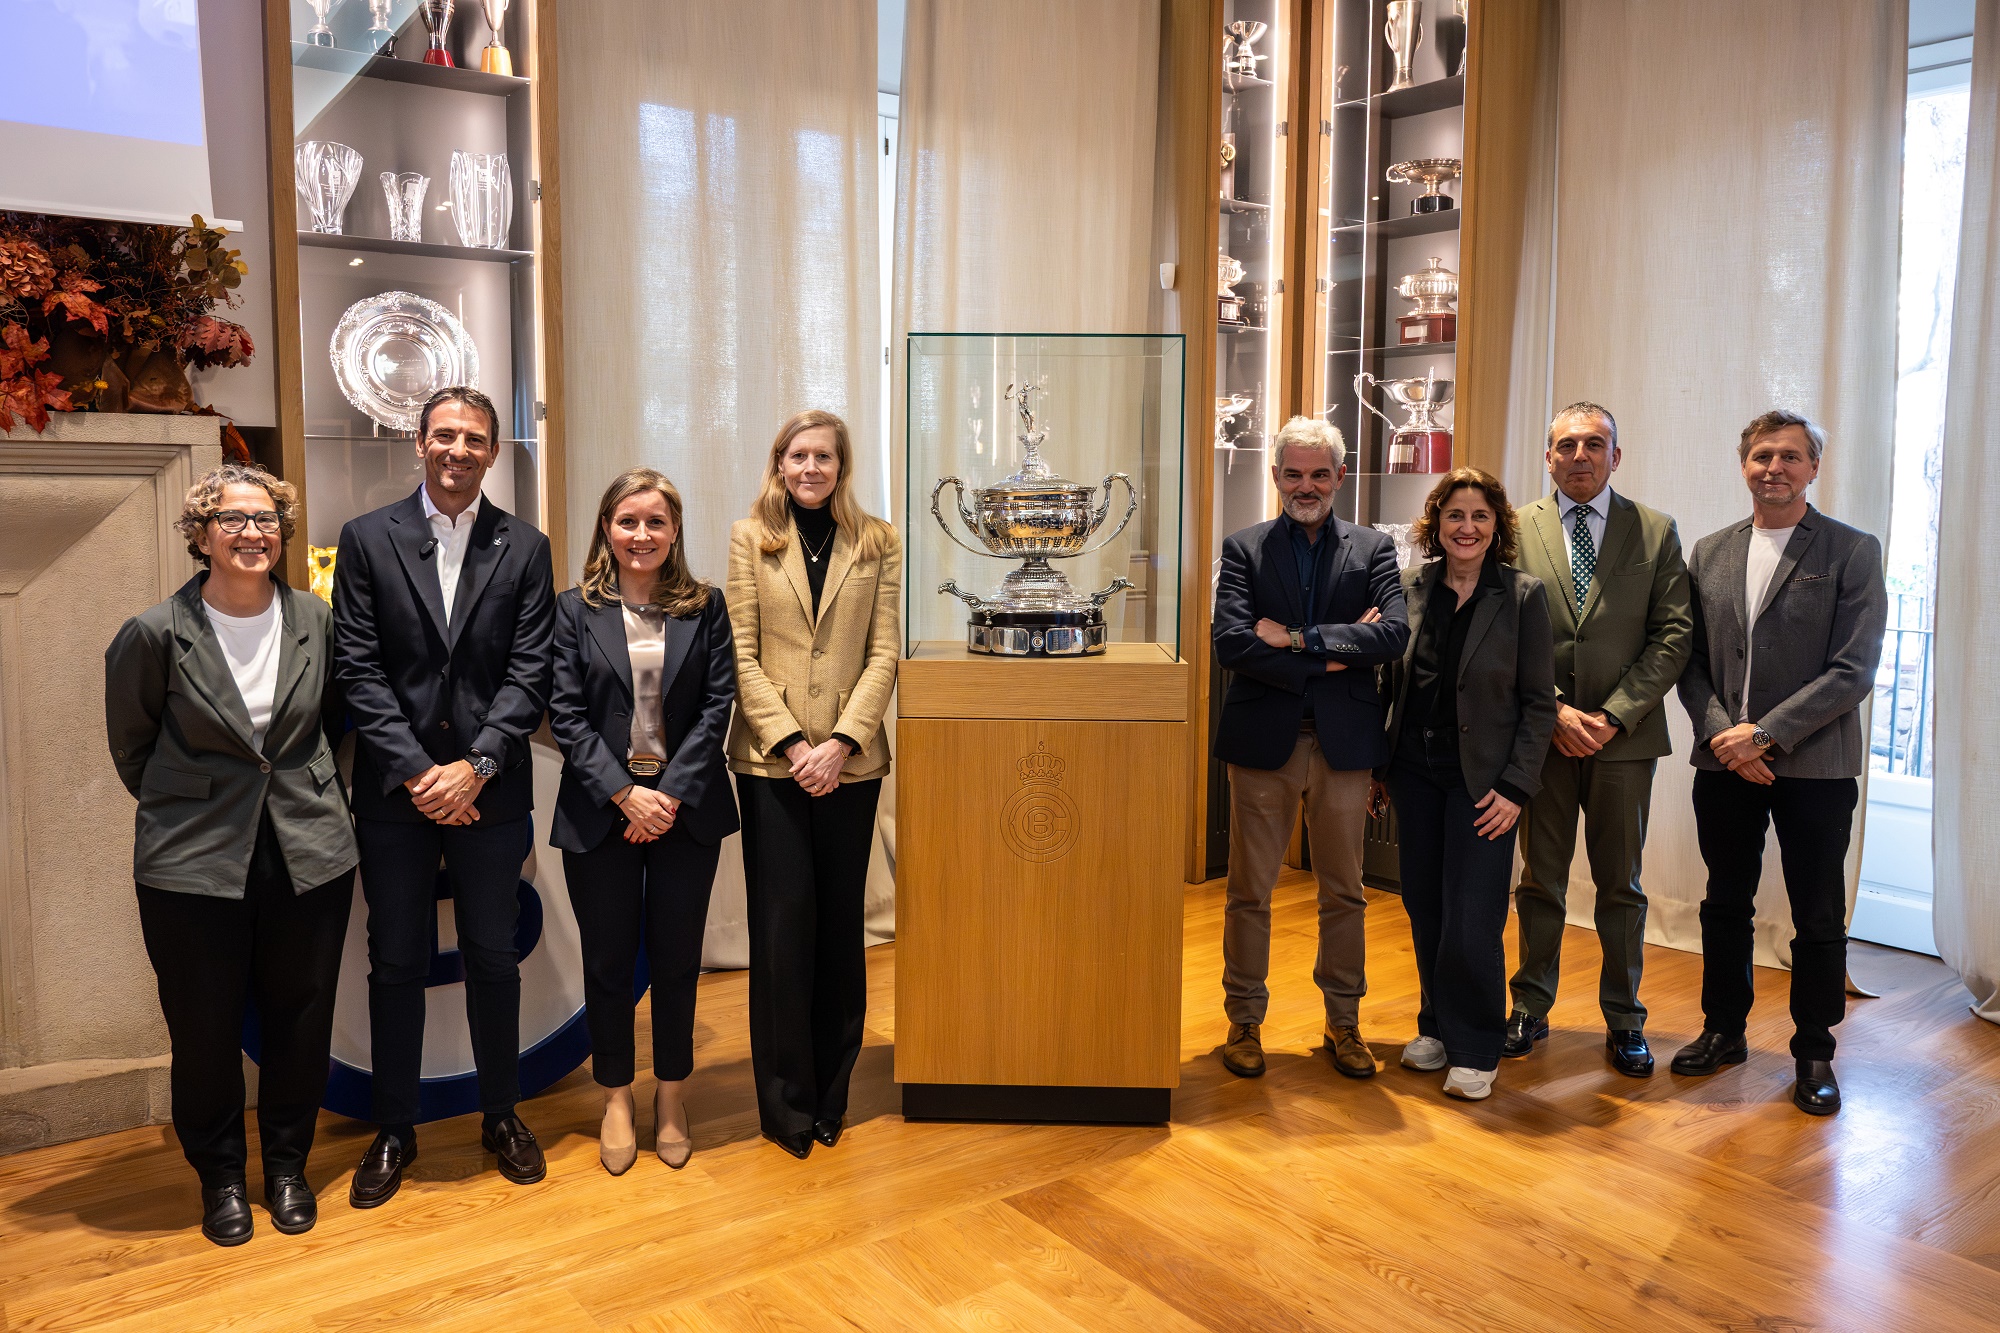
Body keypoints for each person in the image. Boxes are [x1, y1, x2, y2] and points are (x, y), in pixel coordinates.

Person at [104, 464, 359, 1246]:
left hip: (307, 848)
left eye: (267, 519)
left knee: (301, 1018)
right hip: (193, 861)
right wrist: (202, 799)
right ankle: (219, 1176)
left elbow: (337, 722)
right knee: (205, 1028)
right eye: (233, 519)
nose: (253, 533)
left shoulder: (317, 619)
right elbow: (133, 747)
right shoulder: (154, 633)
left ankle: (286, 1166)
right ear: (201, 534)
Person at [332, 385, 556, 1204]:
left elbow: (530, 670)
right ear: (419, 442)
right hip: (395, 795)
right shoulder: (366, 538)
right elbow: (357, 666)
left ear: (494, 452)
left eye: (474, 438)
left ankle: (501, 1114)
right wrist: (420, 773)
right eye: (445, 435)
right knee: (395, 959)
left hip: (490, 794)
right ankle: (395, 1126)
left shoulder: (526, 547)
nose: (458, 449)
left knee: (494, 954)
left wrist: (477, 766)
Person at [1672, 410, 1887, 1116]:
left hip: (1816, 766)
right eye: (1762, 455)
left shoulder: (1852, 550)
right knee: (1724, 902)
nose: (1775, 467)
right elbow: (1690, 661)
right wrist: (1723, 736)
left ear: (1813, 468)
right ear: (1744, 465)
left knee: (1817, 910)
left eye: (1791, 456)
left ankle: (1815, 1050)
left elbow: (1853, 669)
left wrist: (1762, 736)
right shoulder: (1709, 551)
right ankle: (1723, 1029)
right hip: (1723, 763)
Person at [548, 469, 738, 1174]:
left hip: (686, 812)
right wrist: (625, 794)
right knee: (607, 962)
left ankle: (673, 1096)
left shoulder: (705, 606)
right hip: (602, 812)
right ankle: (617, 1098)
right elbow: (564, 713)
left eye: (656, 521)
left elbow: (718, 703)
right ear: (607, 527)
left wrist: (670, 795)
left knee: (678, 960)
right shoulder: (573, 610)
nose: (641, 534)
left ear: (675, 530)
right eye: (628, 521)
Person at [1210, 416, 1411, 1080]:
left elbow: (1392, 636)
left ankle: (1344, 1022)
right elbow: (1232, 643)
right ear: (1275, 476)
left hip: (1343, 746)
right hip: (1263, 744)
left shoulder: (1374, 549)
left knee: (1344, 891)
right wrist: (1336, 652)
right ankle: (1244, 1021)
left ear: (1340, 477)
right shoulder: (1243, 549)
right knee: (1249, 891)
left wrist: (1295, 640)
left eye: (1319, 474)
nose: (1307, 486)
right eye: (1294, 474)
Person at [726, 409, 900, 1159]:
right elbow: (739, 652)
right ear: (779, 462)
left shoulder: (878, 540)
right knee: (781, 932)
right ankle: (785, 1105)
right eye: (798, 455)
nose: (810, 468)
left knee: (839, 931)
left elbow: (884, 652)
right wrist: (797, 745)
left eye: (823, 456)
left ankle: (832, 1094)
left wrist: (841, 743)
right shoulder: (750, 538)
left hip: (851, 765)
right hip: (772, 763)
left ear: (841, 466)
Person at [1504, 403, 1692, 1076]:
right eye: (1566, 445)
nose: (1579, 455)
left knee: (1621, 885)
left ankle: (1625, 1018)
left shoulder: (1655, 530)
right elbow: (1501, 630)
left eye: (1594, 444)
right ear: (1548, 457)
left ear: (1616, 456)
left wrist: (1612, 716)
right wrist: (1553, 710)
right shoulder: (1514, 529)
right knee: (1540, 881)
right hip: (1542, 738)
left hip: (1625, 741)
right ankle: (1530, 1006)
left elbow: (1673, 635)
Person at [1377, 468, 1558, 1101]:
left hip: (1484, 784)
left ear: (1497, 526)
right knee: (1425, 905)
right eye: (1455, 514)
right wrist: (1380, 768)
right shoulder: (1410, 587)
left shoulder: (1523, 596)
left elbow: (1539, 704)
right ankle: (1435, 1024)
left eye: (1480, 516)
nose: (1467, 527)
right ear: (1436, 523)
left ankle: (1477, 1045)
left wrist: (1516, 787)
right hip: (1414, 773)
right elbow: (1393, 682)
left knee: (1473, 914)